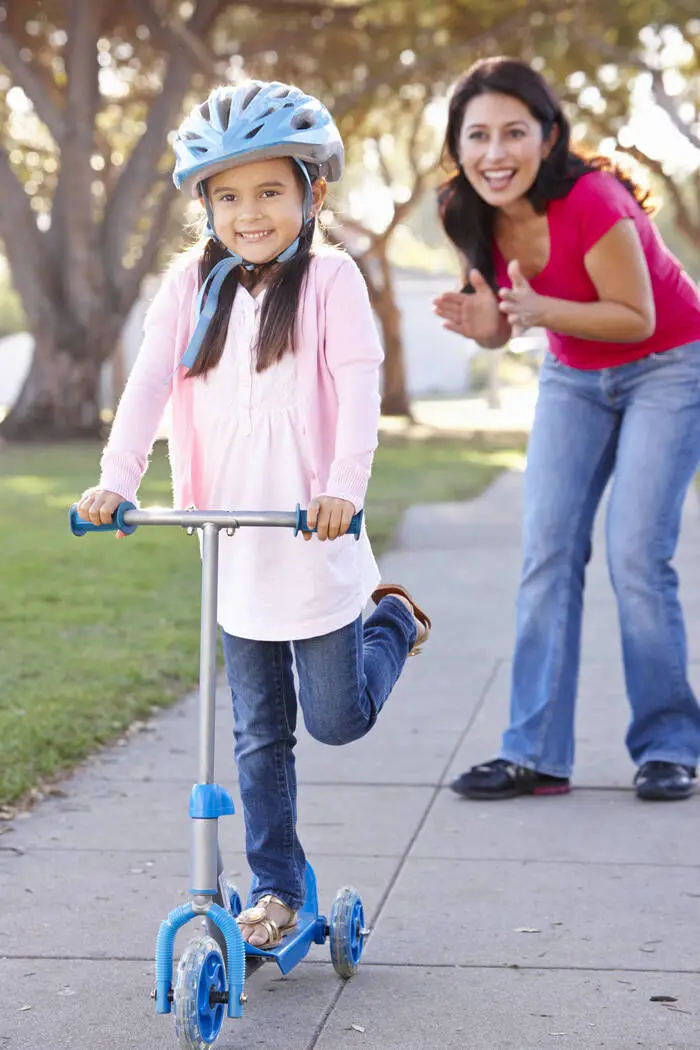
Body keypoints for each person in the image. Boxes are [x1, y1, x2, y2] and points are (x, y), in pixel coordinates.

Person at [76, 80, 430, 947]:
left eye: (270, 190)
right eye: (228, 195)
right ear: (204, 204)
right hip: (233, 544)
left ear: (312, 194)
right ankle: (276, 888)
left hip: (312, 535)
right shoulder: (189, 287)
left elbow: (356, 388)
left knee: (337, 721)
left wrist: (343, 487)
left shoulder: (330, 280)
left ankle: (389, 616)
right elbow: (150, 385)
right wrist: (116, 480)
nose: (250, 211)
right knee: (258, 736)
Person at [433, 56, 700, 803]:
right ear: (458, 145)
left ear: (548, 138)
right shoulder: (465, 211)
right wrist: (489, 329)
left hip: (670, 364)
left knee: (636, 557)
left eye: (514, 132)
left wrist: (537, 316)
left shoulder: (596, 201)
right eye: (477, 135)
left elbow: (637, 317)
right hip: (575, 375)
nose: (495, 153)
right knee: (548, 553)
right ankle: (535, 753)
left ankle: (670, 745)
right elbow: (502, 321)